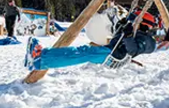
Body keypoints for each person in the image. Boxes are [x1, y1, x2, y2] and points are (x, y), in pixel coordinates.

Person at [24, 10, 158, 71]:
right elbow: (118, 36)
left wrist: (128, 35)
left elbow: (133, 50)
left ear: (143, 24)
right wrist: (121, 26)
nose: (131, 22)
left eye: (134, 20)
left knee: (80, 54)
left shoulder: (148, 40)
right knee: (81, 51)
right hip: (109, 51)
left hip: (113, 57)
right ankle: (41, 56)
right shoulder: (132, 30)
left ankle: (41, 60)